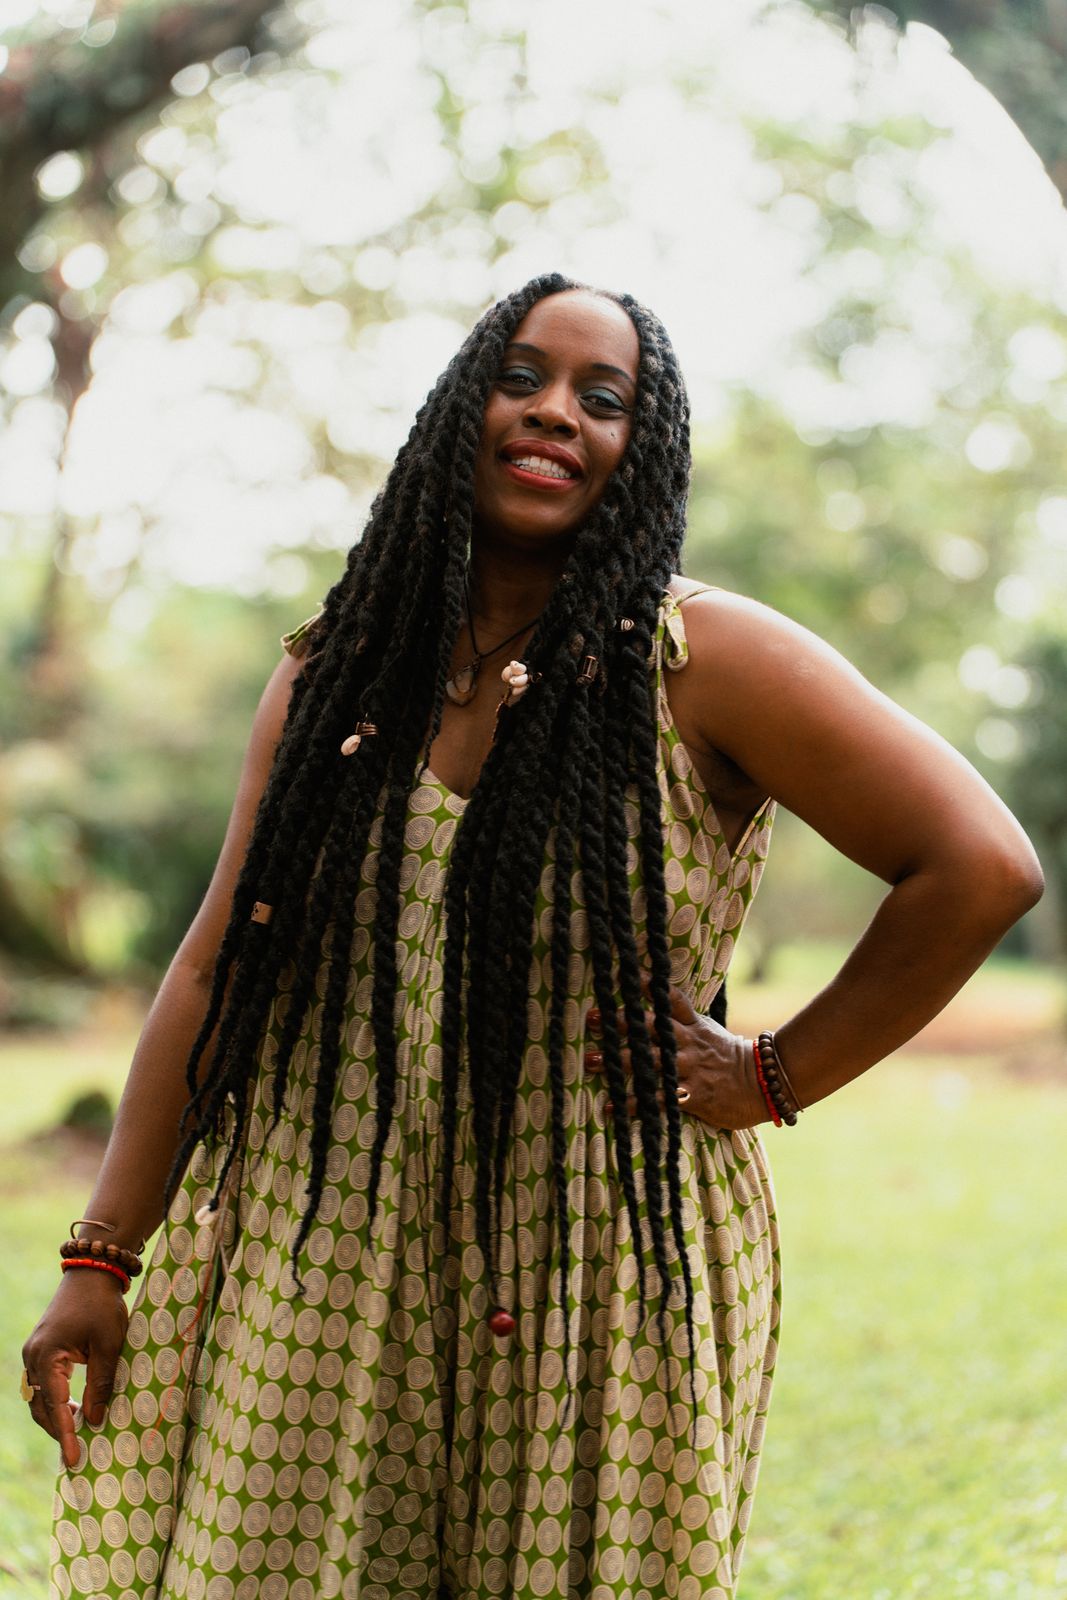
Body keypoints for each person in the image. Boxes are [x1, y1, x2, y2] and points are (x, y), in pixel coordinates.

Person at [23, 274, 1042, 1600]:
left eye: (601, 398)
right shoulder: (334, 669)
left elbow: (980, 867)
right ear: (462, 412)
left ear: (640, 448)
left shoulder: (705, 661)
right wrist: (102, 1256)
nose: (555, 411)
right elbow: (218, 961)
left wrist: (772, 1074)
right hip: (319, 1243)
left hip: (596, 1264)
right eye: (522, 378)